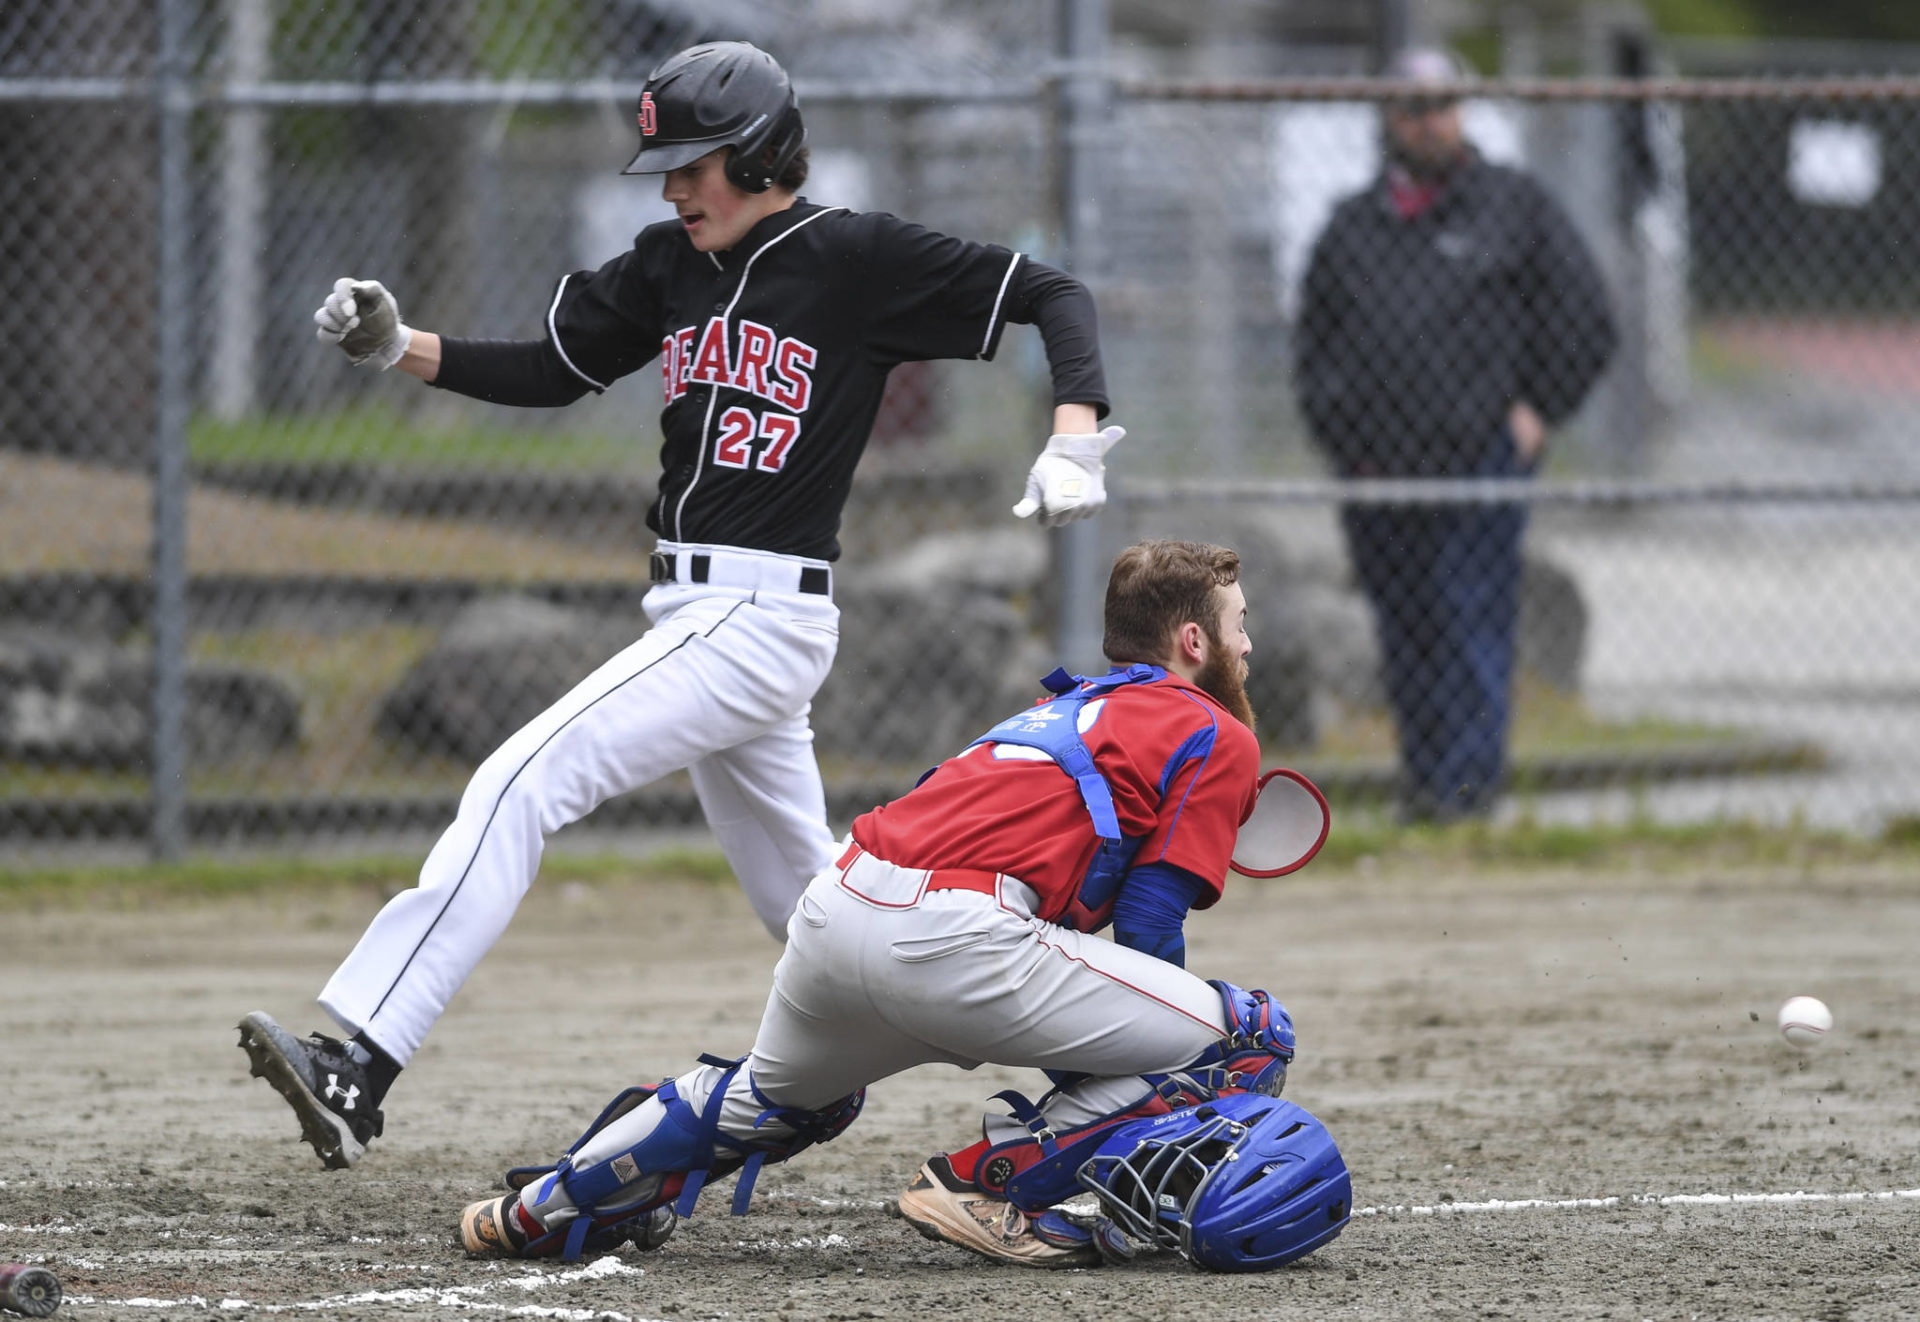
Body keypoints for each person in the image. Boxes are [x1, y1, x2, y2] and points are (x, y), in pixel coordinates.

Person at [238, 39, 1124, 1171]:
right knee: (831, 915)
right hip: (702, 617)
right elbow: (552, 368)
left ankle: (359, 1057)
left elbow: (1053, 292)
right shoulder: (671, 265)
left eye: (693, 163)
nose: (671, 185)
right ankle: (1083, 1052)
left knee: (520, 778)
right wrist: (398, 346)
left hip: (755, 619)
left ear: (759, 154)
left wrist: (1074, 433)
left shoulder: (851, 257)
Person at [453, 540, 1348, 1273]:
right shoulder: (1214, 729)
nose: (1250, 646)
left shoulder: (1062, 709)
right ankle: (984, 1184)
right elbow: (1151, 925)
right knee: (1250, 1035)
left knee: (767, 1097)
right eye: (1239, 626)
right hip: (959, 941)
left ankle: (542, 1208)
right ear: (1193, 642)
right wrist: (1137, 1085)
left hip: (839, 904)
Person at [1293, 47, 1616, 823]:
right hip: (1379, 473)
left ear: (1463, 111)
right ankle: (1425, 784)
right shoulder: (1353, 226)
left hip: (1478, 466)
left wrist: (1539, 408)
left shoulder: (1512, 206)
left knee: (1470, 621)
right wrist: (1345, 437)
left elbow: (1587, 317)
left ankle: (1468, 796)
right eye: (1413, 107)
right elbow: (1314, 348)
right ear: (1389, 120)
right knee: (1407, 629)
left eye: (1443, 104)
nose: (1429, 120)